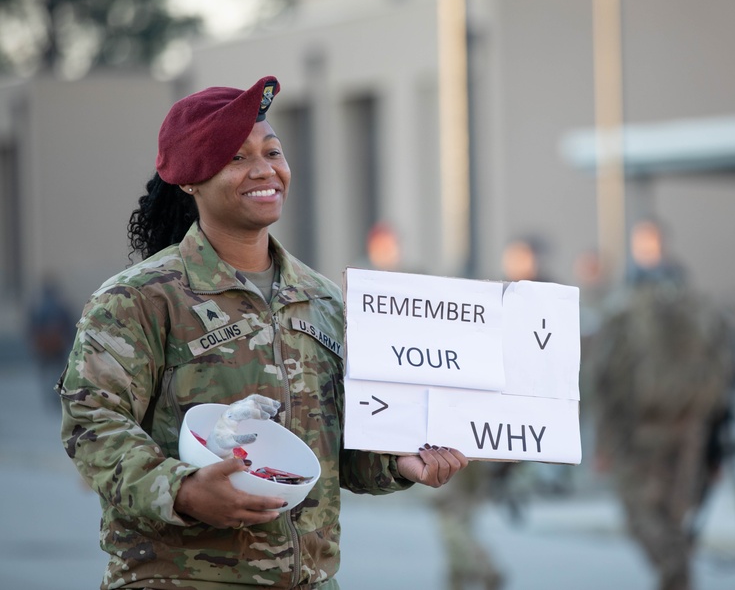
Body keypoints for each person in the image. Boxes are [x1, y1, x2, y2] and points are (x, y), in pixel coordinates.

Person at [57, 76, 469, 589]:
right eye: (236, 158)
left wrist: (399, 462)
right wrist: (182, 489)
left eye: (272, 151)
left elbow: (341, 451)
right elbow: (91, 425)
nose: (264, 169)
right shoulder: (140, 299)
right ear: (190, 180)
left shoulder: (323, 300)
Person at [585, 225, 732, 590]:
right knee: (671, 517)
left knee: (642, 516)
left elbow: (601, 379)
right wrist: (717, 445)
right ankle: (676, 572)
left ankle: (675, 571)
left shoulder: (624, 307)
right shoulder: (698, 304)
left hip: (641, 433)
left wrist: (603, 440)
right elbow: (723, 373)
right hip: (691, 431)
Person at [28, 274, 76, 410]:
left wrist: (34, 344)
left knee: (45, 372)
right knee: (59, 371)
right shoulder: (61, 306)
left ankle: (49, 395)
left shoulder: (38, 307)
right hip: (59, 345)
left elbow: (32, 327)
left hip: (44, 346)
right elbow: (70, 325)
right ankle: (56, 395)